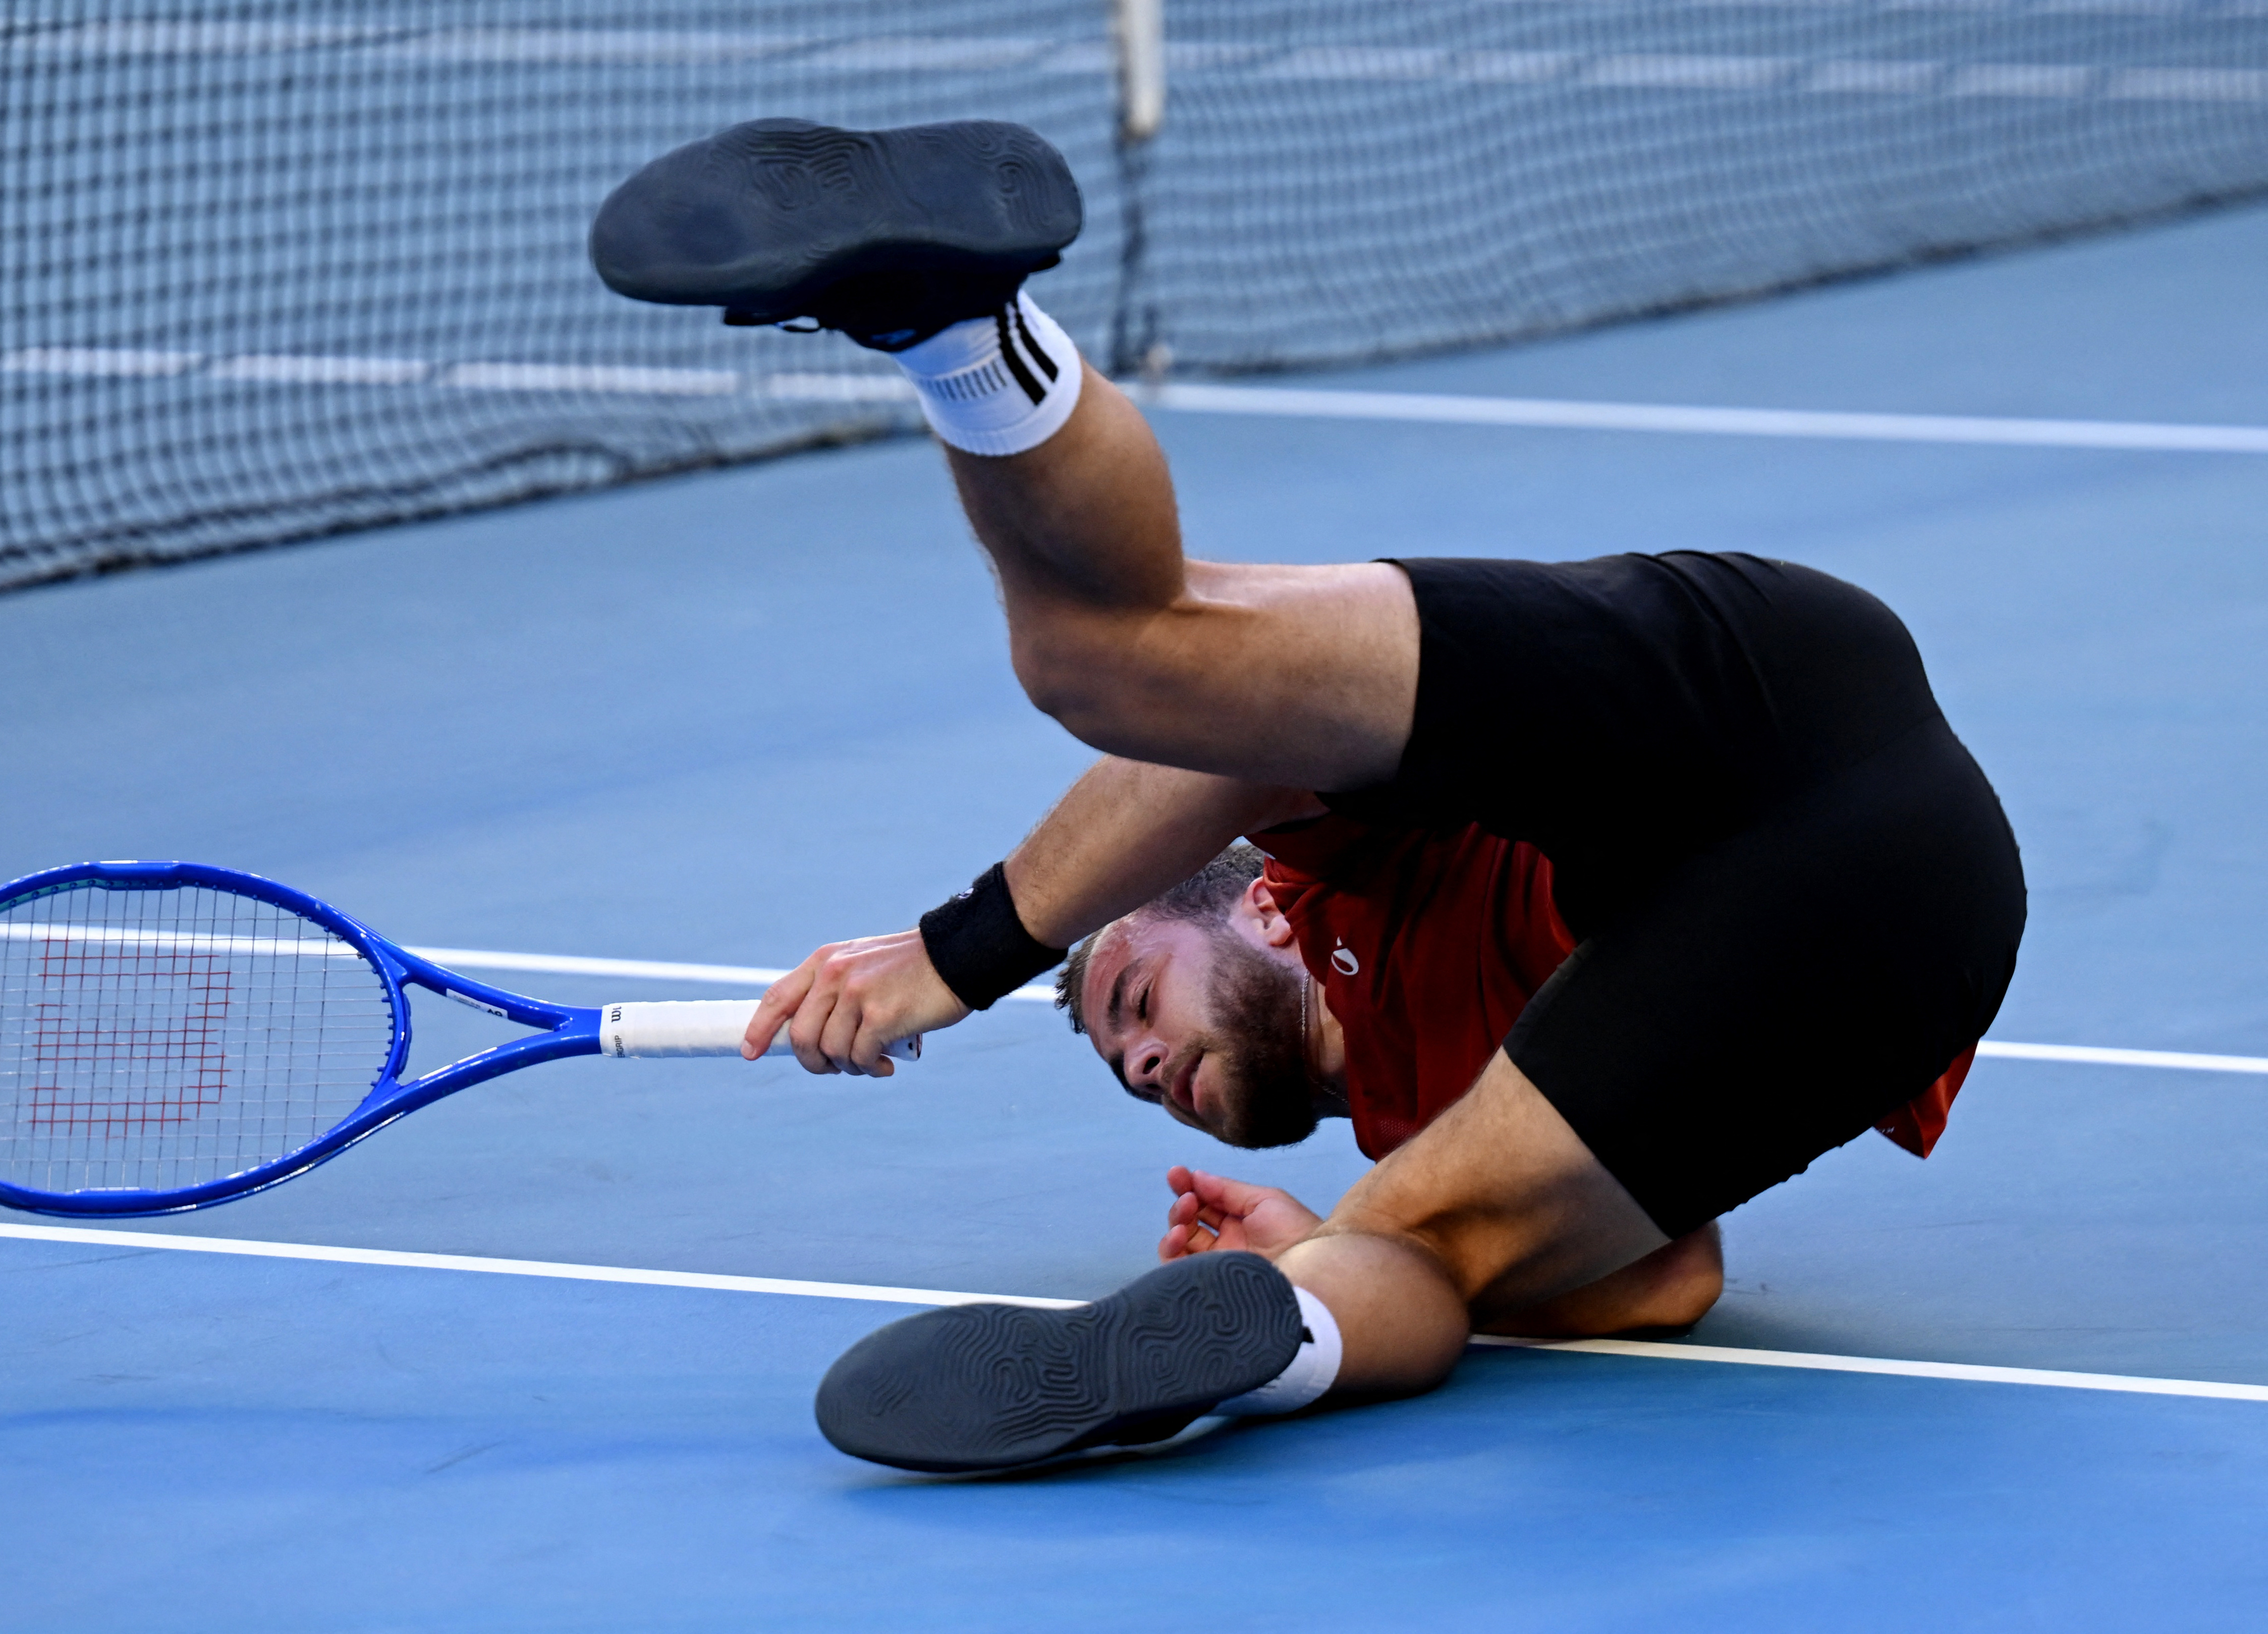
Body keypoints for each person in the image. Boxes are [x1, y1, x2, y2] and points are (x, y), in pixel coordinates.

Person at [593, 118, 2026, 1473]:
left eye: (1135, 1000)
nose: (1142, 1066)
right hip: (1895, 944)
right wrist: (1319, 1249)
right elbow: (1668, 1281)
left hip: (1765, 699)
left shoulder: (1340, 867)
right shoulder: (1424, 1136)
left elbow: (1229, 754)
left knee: (1118, 664)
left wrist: (958, 957)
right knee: (1416, 1255)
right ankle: (1283, 1347)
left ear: (1261, 909)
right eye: (1128, 1071)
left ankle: (964, 327)